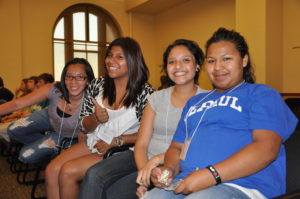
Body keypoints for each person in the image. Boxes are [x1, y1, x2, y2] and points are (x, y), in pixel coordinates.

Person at [144, 27, 298, 199]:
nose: (217, 67)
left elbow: (266, 148)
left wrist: (211, 175)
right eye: (211, 61)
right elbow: (177, 147)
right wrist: (167, 172)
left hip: (242, 185)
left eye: (226, 59)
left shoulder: (262, 94)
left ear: (244, 60)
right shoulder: (195, 102)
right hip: (185, 182)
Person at [85, 39, 207, 199]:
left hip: (174, 167)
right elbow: (141, 145)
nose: (178, 66)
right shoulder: (156, 98)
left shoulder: (207, 101)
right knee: (95, 175)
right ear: (166, 67)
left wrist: (154, 171)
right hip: (143, 160)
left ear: (197, 65)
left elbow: (195, 151)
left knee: (114, 194)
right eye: (172, 61)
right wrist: (145, 175)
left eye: (186, 60)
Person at [45, 37, 154, 199]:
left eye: (119, 57)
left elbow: (148, 134)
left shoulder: (145, 92)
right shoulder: (98, 85)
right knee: (52, 169)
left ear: (132, 61)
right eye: (110, 55)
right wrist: (96, 118)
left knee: (68, 171)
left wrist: (117, 140)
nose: (111, 60)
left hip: (123, 149)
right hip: (95, 140)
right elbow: (84, 125)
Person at [0, 58, 95, 163]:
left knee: (25, 156)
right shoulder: (55, 88)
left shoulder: (93, 100)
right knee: (13, 128)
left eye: (80, 77)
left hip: (64, 134)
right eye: (69, 76)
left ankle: (51, 151)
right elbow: (17, 103)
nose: (73, 82)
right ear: (64, 78)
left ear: (88, 80)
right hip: (48, 117)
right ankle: (52, 150)